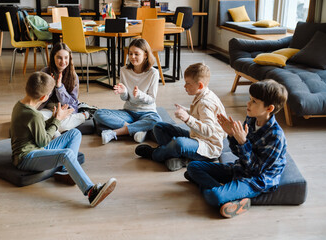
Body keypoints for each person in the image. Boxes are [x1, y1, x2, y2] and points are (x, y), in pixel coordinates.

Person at [10, 72, 116, 207]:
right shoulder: (33, 115)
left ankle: (65, 172)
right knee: (66, 154)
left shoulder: (19, 105)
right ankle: (90, 192)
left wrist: (54, 119)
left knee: (75, 133)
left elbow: (37, 133)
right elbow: (43, 141)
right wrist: (57, 121)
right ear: (44, 97)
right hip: (26, 158)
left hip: (36, 149)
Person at [186, 79, 288, 218]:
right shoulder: (251, 119)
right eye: (250, 99)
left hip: (257, 179)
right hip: (240, 168)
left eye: (254, 101)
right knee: (193, 167)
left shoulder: (276, 136)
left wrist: (242, 142)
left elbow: (255, 170)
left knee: (213, 196)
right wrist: (232, 135)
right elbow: (238, 154)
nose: (248, 103)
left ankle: (221, 193)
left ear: (269, 108)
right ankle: (226, 194)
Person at [135, 63, 227, 171]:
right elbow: (200, 115)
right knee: (159, 127)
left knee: (179, 143)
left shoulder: (205, 103)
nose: (185, 86)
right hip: (197, 137)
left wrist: (188, 118)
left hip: (208, 148)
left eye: (188, 83)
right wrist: (187, 111)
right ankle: (176, 156)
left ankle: (156, 154)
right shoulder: (204, 94)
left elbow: (209, 131)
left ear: (200, 85)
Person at [93, 38, 162, 144]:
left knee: (157, 121)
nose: (132, 57)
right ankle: (136, 129)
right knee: (98, 113)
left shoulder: (153, 73)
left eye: (136, 54)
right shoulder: (124, 70)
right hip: (129, 112)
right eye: (130, 54)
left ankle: (115, 133)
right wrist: (124, 92)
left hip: (147, 113)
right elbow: (124, 98)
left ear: (145, 55)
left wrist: (140, 95)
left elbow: (151, 99)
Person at [39, 42, 96, 137]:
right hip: (47, 110)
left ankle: (57, 131)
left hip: (65, 111)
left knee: (48, 123)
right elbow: (38, 98)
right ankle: (81, 117)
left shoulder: (73, 76)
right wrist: (51, 87)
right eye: (59, 57)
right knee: (38, 118)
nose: (63, 61)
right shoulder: (44, 72)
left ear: (70, 58)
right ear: (53, 57)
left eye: (66, 58)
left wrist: (59, 87)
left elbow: (72, 103)